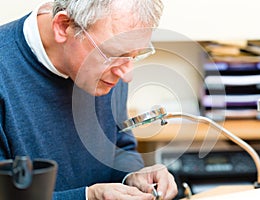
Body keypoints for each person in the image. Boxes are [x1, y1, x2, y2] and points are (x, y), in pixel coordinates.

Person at [0, 0, 178, 199]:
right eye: (113, 54)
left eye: (135, 55)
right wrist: (88, 196)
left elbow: (118, 144)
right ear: (63, 26)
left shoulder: (114, 65)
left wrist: (132, 176)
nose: (127, 75)